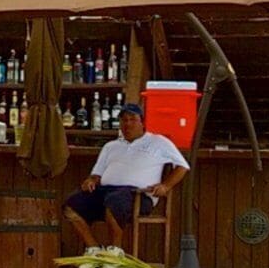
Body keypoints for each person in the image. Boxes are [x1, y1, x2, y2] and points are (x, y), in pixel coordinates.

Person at [64, 99, 187, 255]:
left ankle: (115, 250)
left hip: (138, 195)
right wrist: (91, 180)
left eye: (133, 119)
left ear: (142, 122)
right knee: (71, 204)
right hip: (107, 191)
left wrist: (165, 186)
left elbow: (182, 166)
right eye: (124, 120)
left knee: (114, 201)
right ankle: (93, 248)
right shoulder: (111, 146)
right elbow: (97, 174)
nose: (128, 124)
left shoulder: (158, 142)